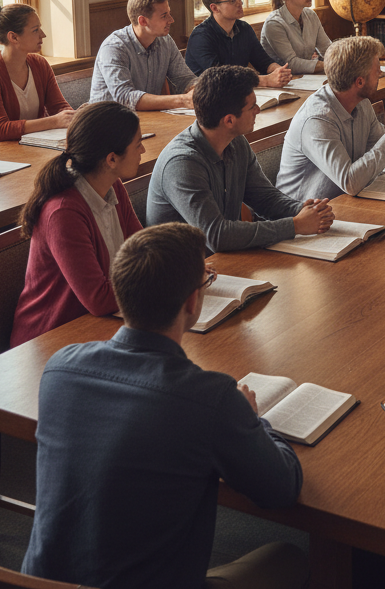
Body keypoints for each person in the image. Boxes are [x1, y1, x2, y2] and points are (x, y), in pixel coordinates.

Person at [21, 223, 307, 589]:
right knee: (288, 556)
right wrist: (255, 419)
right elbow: (282, 489)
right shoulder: (210, 398)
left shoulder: (60, 368)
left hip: (37, 584)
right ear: (192, 302)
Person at [147, 64, 333, 252]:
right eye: (252, 106)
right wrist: (295, 225)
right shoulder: (182, 163)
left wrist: (305, 210)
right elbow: (216, 236)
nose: (258, 110)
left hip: (218, 264)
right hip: (180, 273)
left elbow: (265, 198)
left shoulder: (235, 142)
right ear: (229, 120)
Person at [10, 101, 144, 347]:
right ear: (111, 159)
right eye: (138, 144)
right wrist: (164, 279)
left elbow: (143, 248)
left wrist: (177, 266)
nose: (143, 150)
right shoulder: (63, 212)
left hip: (101, 327)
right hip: (52, 339)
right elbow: (99, 299)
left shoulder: (112, 184)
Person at [277, 35, 385, 201]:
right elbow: (350, 182)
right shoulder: (318, 120)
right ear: (359, 82)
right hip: (303, 219)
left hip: (344, 205)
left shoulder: (361, 103)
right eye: (376, 71)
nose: (381, 74)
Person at [0, 2, 74, 149]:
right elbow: (0, 129)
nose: (43, 35)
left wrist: (75, 116)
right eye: (35, 30)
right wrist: (55, 121)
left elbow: (59, 107)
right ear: (14, 37)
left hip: (30, 149)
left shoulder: (40, 64)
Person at [89, 0, 197, 110]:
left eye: (169, 13)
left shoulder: (165, 41)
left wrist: (197, 90)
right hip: (106, 122)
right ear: (143, 21)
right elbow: (125, 97)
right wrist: (183, 100)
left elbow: (184, 79)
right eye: (164, 16)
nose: (171, 20)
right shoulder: (114, 47)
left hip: (146, 119)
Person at [185, 0, 292, 87]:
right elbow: (221, 77)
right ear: (215, 8)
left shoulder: (244, 28)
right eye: (232, 0)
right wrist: (265, 80)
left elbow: (263, 61)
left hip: (237, 93)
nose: (240, 3)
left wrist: (279, 70)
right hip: (206, 96)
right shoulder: (201, 37)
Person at [260, 0, 330, 75]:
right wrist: (330, 64)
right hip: (280, 84)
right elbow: (291, 64)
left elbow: (327, 49)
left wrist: (342, 58)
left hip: (306, 79)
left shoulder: (311, 16)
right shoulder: (274, 24)